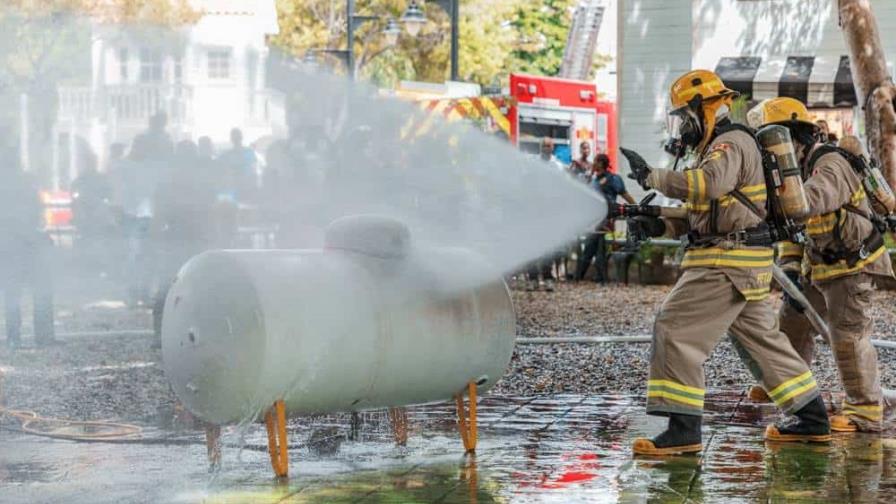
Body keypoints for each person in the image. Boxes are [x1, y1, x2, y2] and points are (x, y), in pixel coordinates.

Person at [625, 70, 830, 455]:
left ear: (705, 107)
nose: (682, 126)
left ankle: (683, 430)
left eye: (684, 116)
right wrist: (656, 223)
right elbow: (707, 214)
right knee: (764, 344)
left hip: (725, 263)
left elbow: (708, 186)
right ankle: (812, 418)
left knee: (675, 329)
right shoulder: (715, 147)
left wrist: (652, 176)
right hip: (738, 260)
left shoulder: (730, 143)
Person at [746, 98, 894, 433]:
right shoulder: (795, 169)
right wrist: (791, 269)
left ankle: (865, 410)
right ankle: (790, 390)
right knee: (792, 323)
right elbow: (793, 231)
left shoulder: (829, 164)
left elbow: (808, 204)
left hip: (852, 266)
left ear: (795, 137)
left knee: (848, 335)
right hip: (819, 265)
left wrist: (770, 203)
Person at [0, 143, 55, 348]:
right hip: (27, 242)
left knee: (11, 292)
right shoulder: (27, 181)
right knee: (41, 288)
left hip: (6, 243)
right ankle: (44, 336)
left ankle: (14, 337)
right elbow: (37, 212)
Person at [574, 154, 636, 282]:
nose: (593, 163)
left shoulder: (613, 179)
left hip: (606, 219)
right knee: (592, 247)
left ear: (601, 164)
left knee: (596, 247)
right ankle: (585, 276)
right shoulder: (594, 179)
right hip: (594, 220)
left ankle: (591, 277)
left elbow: (625, 194)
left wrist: (636, 208)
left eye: (596, 161)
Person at [525, 137, 566, 291]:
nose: (546, 148)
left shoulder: (557, 166)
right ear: (540, 147)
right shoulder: (532, 164)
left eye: (548, 146)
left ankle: (548, 278)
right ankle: (533, 278)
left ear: (552, 148)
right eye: (544, 145)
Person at [217, 128, 258, 202]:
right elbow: (253, 171)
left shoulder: (248, 152)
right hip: (236, 188)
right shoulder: (227, 155)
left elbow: (253, 170)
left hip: (245, 188)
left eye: (237, 137)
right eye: (234, 137)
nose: (236, 139)